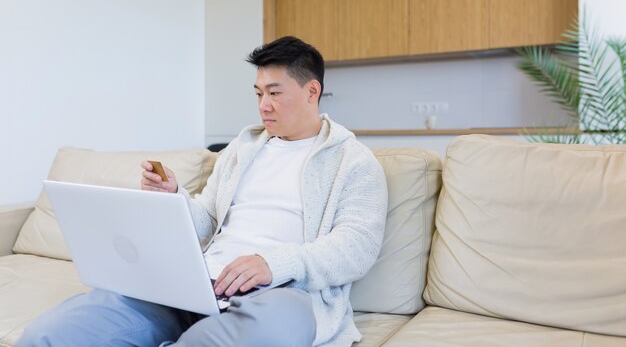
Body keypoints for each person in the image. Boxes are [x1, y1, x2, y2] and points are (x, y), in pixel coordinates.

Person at [17, 36, 388, 347]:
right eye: (258, 93)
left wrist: (273, 264)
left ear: (312, 91)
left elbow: (355, 248)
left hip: (283, 293)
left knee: (274, 326)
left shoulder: (353, 161)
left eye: (275, 93)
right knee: (48, 335)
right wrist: (173, 197)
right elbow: (206, 220)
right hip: (193, 283)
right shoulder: (240, 151)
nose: (263, 106)